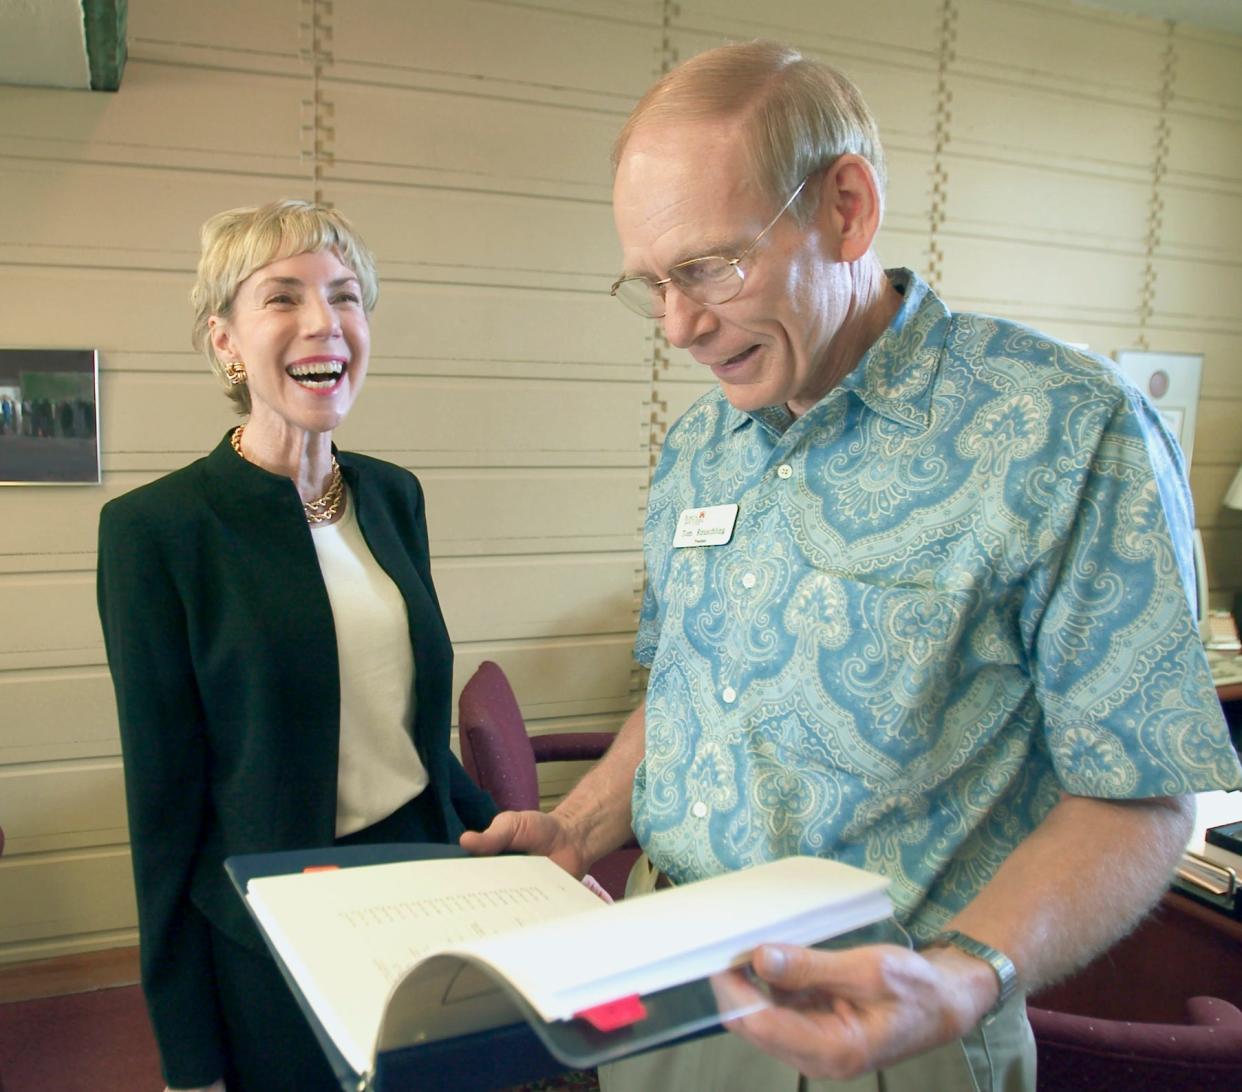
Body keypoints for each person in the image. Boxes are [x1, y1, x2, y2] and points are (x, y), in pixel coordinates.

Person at [463, 41, 1242, 1091]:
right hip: (657, 969)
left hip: (886, 1020)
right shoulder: (701, 446)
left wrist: (970, 975)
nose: (679, 327)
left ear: (846, 208)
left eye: (707, 267)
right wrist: (582, 821)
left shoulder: (1064, 432)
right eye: (651, 284)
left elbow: (1143, 794)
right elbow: (689, 695)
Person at [98, 200, 497, 1092]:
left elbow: (402, 729)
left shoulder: (394, 497)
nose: (326, 322)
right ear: (225, 342)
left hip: (421, 884)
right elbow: (163, 808)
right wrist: (186, 1050)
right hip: (276, 922)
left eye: (346, 297)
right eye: (283, 298)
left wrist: (493, 829)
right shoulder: (156, 533)